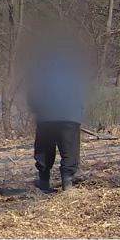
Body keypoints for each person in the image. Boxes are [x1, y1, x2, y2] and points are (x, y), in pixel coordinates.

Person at [25, 22, 90, 192]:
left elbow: (32, 91)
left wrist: (36, 109)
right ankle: (67, 183)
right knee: (69, 150)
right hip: (69, 116)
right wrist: (79, 111)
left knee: (44, 149)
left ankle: (44, 181)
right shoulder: (74, 66)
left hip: (46, 115)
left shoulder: (40, 67)